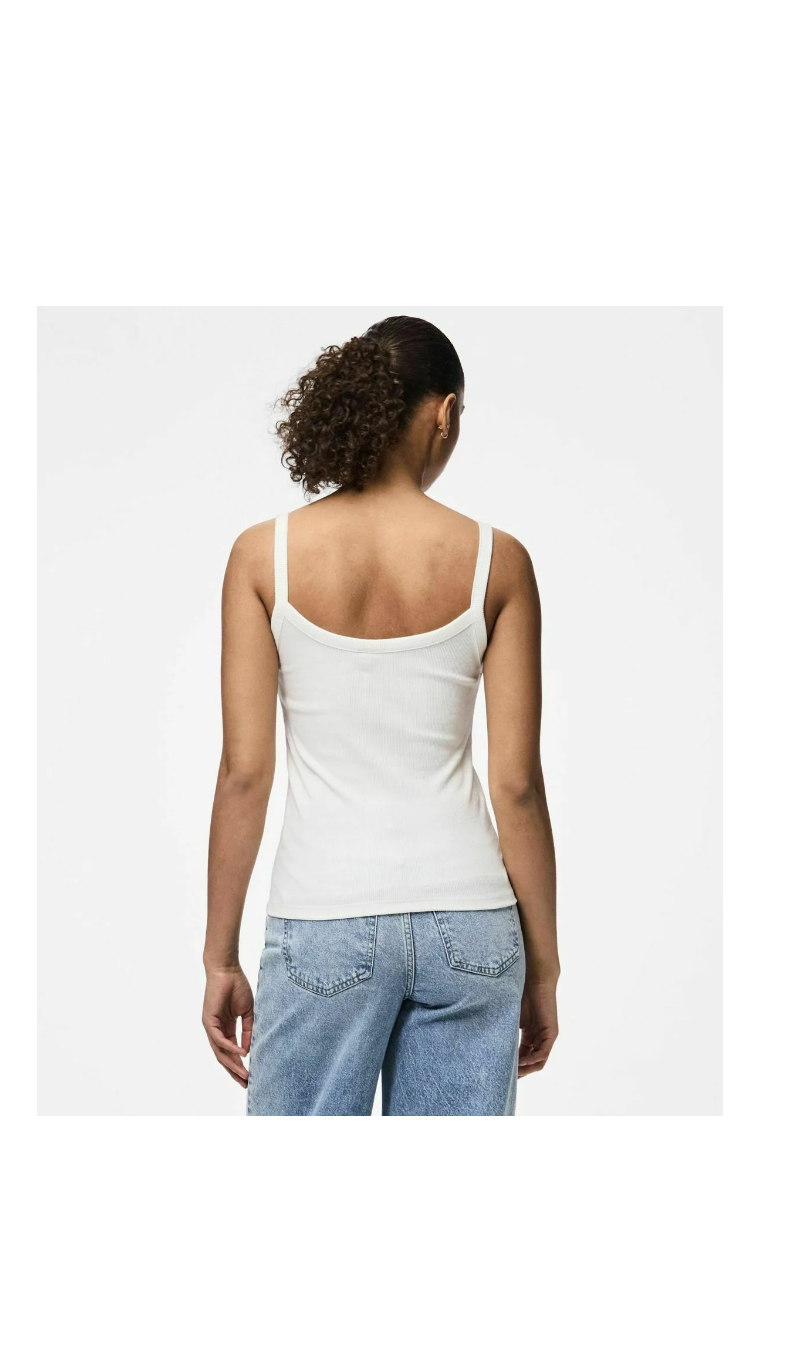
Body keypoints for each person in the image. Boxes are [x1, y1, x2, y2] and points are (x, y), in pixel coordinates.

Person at [201, 315, 559, 1115]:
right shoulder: (497, 561)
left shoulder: (264, 556)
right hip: (472, 924)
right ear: (444, 412)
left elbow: (244, 772)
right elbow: (517, 785)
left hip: (323, 917)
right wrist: (545, 967)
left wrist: (219, 956)